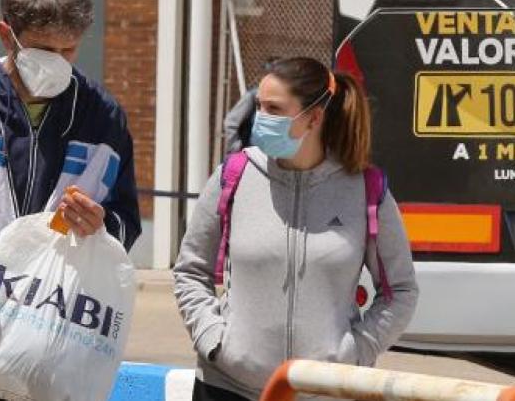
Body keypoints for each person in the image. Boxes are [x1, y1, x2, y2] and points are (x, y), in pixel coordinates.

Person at [173, 57, 418, 401]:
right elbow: (189, 270)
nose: (260, 119)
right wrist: (214, 340)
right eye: (259, 107)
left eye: (274, 109)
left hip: (328, 391)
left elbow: (401, 290)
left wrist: (357, 352)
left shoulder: (365, 188)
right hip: (228, 387)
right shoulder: (235, 174)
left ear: (313, 118)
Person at [0, 0, 142, 248]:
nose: (56, 60)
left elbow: (126, 220)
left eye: (68, 49)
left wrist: (100, 225)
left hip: (56, 287)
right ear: (7, 36)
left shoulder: (102, 115)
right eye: (43, 49)